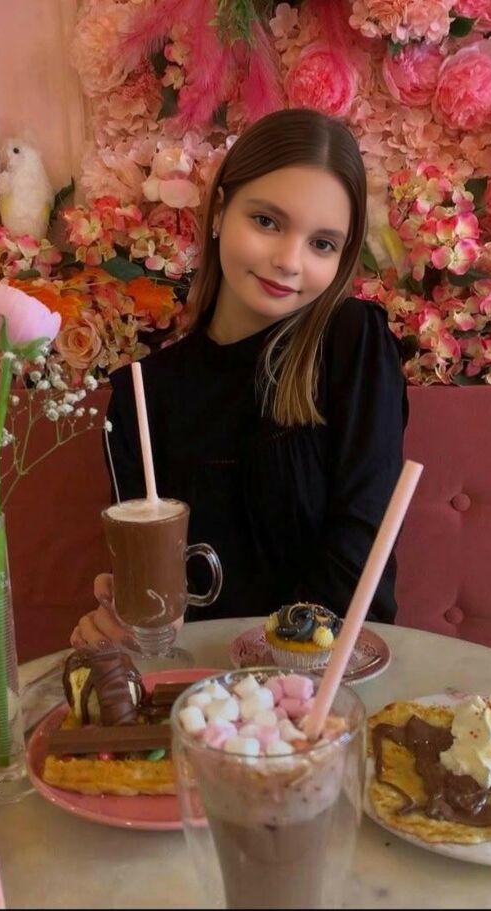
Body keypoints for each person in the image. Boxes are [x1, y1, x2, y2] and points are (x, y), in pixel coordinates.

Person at [70, 107, 408, 649]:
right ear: (220, 211)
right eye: (267, 221)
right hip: (198, 686)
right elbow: (151, 588)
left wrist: (270, 671)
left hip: (328, 675)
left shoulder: (352, 343)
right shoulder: (143, 393)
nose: (289, 261)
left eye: (322, 244)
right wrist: (127, 625)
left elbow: (361, 553)